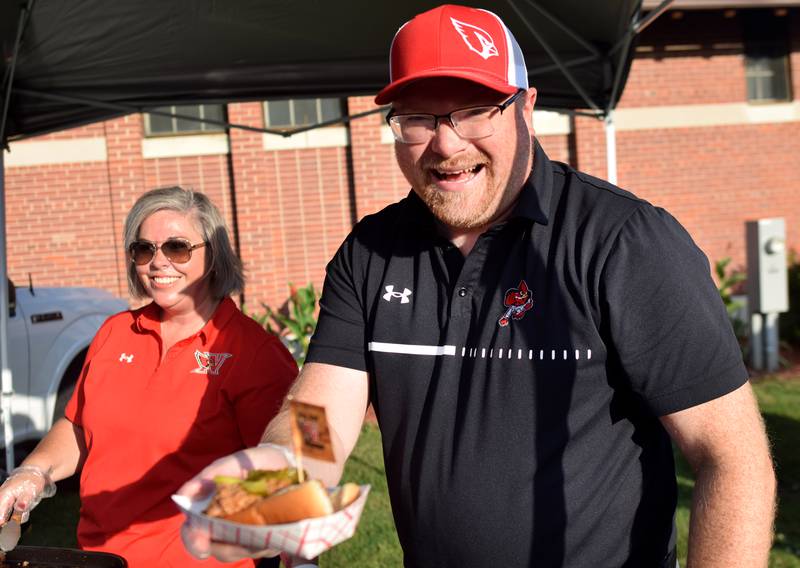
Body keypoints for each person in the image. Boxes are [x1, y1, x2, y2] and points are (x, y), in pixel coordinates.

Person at [179, 5, 776, 567]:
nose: (446, 143)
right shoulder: (371, 253)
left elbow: (734, 460)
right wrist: (277, 475)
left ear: (526, 106)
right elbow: (318, 421)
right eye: (418, 117)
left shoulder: (624, 242)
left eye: (474, 110)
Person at [0, 186, 297, 568]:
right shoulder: (114, 332)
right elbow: (78, 426)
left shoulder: (253, 351)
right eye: (144, 249)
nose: (158, 262)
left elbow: (288, 471)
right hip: (98, 558)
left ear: (213, 255)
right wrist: (32, 471)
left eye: (177, 247)